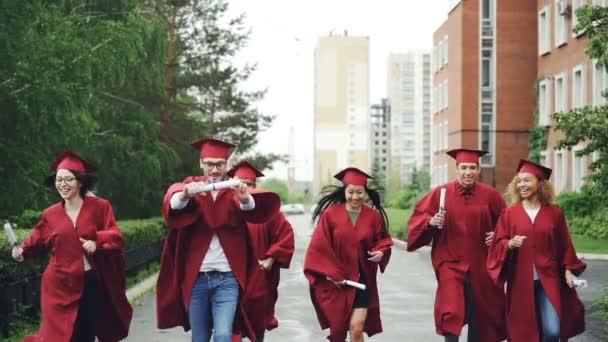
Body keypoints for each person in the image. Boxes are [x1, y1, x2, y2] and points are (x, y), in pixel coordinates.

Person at [156, 138, 280, 342]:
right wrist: (186, 195)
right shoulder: (191, 187)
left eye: (220, 164)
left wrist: (245, 200)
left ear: (227, 165)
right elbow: (174, 203)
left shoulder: (233, 191)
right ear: (201, 163)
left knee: (223, 335)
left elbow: (252, 210)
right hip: (197, 279)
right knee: (200, 337)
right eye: (210, 164)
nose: (214, 170)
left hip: (227, 279)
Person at [11, 150, 132, 342]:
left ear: (81, 182)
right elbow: (37, 238)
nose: (62, 184)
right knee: (58, 336)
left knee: (85, 335)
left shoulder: (100, 207)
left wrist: (97, 241)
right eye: (59, 180)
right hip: (58, 285)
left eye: (68, 179)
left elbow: (116, 235)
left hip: (89, 283)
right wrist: (21, 250)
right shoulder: (50, 214)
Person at [407, 148, 506, 342]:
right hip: (450, 263)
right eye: (464, 167)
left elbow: (507, 223)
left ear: (478, 170)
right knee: (450, 312)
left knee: (481, 315)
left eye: (472, 167)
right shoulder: (440, 193)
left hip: (482, 265)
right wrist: (430, 222)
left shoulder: (490, 195)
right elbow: (418, 218)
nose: (468, 172)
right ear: (457, 169)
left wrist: (498, 235)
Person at [487, 159, 586, 342]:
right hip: (520, 281)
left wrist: (569, 270)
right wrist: (509, 244)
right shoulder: (510, 213)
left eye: (527, 180)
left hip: (548, 279)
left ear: (540, 183)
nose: (522, 184)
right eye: (519, 181)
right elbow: (497, 243)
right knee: (524, 333)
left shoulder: (555, 213)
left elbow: (564, 245)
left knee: (552, 330)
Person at [304, 167, 392, 342]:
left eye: (359, 192)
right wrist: (331, 274)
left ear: (365, 192)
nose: (355, 197)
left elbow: (383, 240)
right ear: (344, 191)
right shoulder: (330, 215)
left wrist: (381, 252)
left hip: (361, 280)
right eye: (350, 192)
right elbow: (319, 247)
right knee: (339, 333)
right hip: (337, 280)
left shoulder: (373, 217)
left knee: (356, 328)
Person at [226, 161, 295, 342]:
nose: (243, 188)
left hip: (258, 277)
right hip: (230, 276)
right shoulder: (226, 208)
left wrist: (271, 258)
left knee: (257, 325)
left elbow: (285, 236)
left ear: (255, 185)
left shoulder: (267, 209)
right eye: (239, 183)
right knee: (232, 324)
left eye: (249, 184)